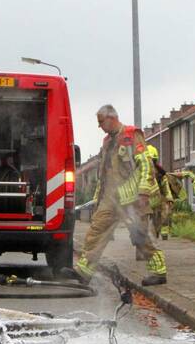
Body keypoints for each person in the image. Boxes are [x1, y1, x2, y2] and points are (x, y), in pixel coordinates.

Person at [67, 105, 167, 286]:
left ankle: (158, 271)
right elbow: (103, 174)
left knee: (140, 236)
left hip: (132, 198)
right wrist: (98, 199)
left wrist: (144, 191)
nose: (100, 127)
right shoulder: (107, 142)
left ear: (111, 118)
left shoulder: (131, 135)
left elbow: (146, 165)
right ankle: (84, 271)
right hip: (109, 199)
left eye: (101, 122)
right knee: (96, 231)